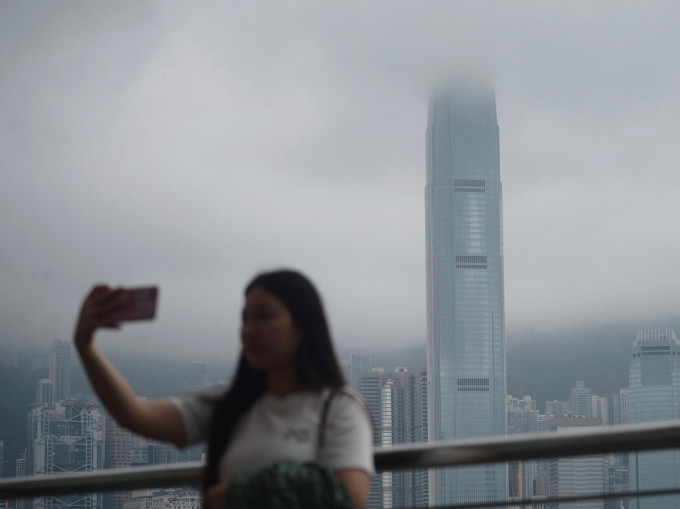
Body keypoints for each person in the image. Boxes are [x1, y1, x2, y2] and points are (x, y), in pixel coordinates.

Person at [74, 269, 373, 508]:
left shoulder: (339, 408)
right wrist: (85, 345)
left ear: (302, 324)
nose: (250, 329)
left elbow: (349, 496)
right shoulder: (230, 405)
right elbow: (135, 415)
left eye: (264, 315)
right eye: (245, 319)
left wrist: (239, 494)